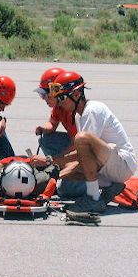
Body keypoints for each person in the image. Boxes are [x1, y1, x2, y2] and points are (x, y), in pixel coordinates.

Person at [30, 71, 137, 213]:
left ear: (76, 94)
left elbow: (83, 150)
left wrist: (48, 161)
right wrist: (51, 176)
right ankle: (110, 187)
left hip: (122, 165)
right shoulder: (79, 116)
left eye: (62, 98)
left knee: (80, 139)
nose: (60, 103)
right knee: (62, 180)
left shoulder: (92, 110)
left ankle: (93, 199)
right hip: (108, 166)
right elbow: (82, 158)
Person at [34, 67, 86, 198]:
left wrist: (50, 161)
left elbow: (77, 146)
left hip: (83, 152)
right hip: (75, 145)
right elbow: (52, 124)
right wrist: (43, 128)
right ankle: (63, 167)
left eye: (45, 94)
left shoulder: (72, 110)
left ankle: (92, 182)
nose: (43, 99)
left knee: (64, 190)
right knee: (45, 139)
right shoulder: (59, 107)